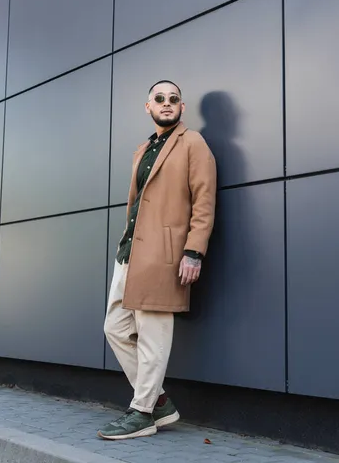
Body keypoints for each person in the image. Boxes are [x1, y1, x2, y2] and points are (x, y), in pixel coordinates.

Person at [98, 80, 217, 441]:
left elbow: (204, 200)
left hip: (165, 255)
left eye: (174, 99)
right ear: (147, 107)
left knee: (153, 335)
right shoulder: (144, 148)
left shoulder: (193, 142)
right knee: (115, 328)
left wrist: (194, 250)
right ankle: (159, 401)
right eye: (159, 99)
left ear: (182, 107)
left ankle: (142, 412)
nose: (167, 103)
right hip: (130, 253)